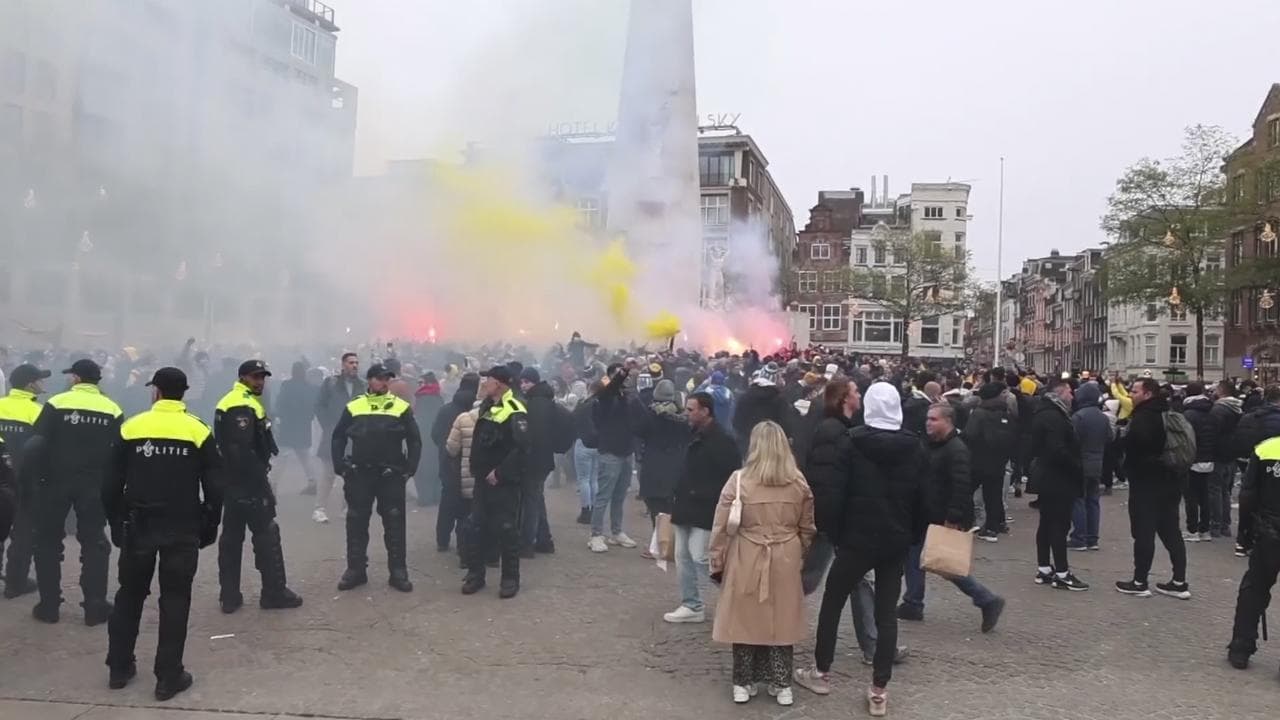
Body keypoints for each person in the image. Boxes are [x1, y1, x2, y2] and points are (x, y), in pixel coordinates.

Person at [794, 382, 927, 717]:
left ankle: (822, 672)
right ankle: (879, 690)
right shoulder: (915, 448)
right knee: (886, 612)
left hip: (855, 539)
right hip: (894, 541)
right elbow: (924, 499)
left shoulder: (851, 443)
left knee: (833, 603)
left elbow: (834, 494)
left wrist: (836, 534)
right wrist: (911, 535)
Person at [103, 367, 221, 701]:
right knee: (175, 600)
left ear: (155, 391)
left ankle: (119, 668)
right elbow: (215, 484)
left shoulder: (132, 427)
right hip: (182, 527)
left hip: (138, 525)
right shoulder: (198, 430)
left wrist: (115, 521)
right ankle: (168, 677)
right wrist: (210, 524)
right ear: (184, 393)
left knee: (129, 594)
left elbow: (109, 482)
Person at [708, 421, 815, 707]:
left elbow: (721, 525)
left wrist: (717, 559)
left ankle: (743, 681)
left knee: (743, 617)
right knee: (782, 619)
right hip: (786, 554)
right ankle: (782, 683)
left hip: (747, 552)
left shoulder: (739, 480)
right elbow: (807, 527)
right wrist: (798, 553)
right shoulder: (798, 482)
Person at [28, 358, 123, 625]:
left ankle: (49, 606)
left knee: (47, 542)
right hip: (94, 485)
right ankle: (94, 606)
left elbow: (37, 444)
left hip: (55, 482)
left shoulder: (56, 403)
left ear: (77, 379)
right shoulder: (112, 409)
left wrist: (36, 479)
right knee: (94, 543)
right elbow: (119, 451)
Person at [899, 403, 1006, 631]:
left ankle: (986, 599)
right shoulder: (929, 445)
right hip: (924, 513)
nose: (928, 422)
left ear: (948, 421)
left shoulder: (957, 449)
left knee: (945, 563)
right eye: (927, 418)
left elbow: (961, 485)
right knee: (914, 555)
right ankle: (913, 602)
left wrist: (954, 516)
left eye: (934, 419)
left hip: (941, 515)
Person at [213, 360, 303, 614]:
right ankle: (273, 593)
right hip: (247, 482)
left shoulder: (240, 400)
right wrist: (259, 484)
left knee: (232, 538)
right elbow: (240, 450)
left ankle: (229, 596)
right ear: (242, 377)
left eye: (262, 377)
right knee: (266, 536)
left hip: (233, 482)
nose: (260, 381)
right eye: (255, 377)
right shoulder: (239, 404)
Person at [331, 363, 422, 593]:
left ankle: (398, 571)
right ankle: (356, 570)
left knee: (394, 522)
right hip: (360, 472)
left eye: (387, 379)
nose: (384, 382)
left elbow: (414, 439)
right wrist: (339, 465)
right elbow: (338, 436)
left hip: (390, 474)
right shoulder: (355, 406)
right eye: (380, 378)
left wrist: (410, 468)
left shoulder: (400, 407)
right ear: (369, 380)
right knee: (356, 521)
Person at [664, 391, 738, 624]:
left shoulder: (722, 439)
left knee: (701, 557)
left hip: (705, 507)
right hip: (685, 503)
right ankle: (692, 605)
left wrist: (707, 494)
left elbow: (732, 474)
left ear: (705, 411)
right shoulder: (690, 433)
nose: (687, 413)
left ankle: (737, 601)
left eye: (690, 409)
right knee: (682, 556)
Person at [1116, 377, 1190, 599]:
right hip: (1171, 481)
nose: (1131, 394)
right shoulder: (1168, 413)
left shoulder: (1143, 418)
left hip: (1146, 482)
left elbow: (1138, 448)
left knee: (1144, 533)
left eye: (1135, 391)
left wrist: (1121, 445)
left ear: (1148, 394)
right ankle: (1179, 582)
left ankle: (1140, 582)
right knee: (1171, 531)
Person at [461, 366, 529, 598]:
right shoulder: (487, 406)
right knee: (475, 526)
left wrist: (500, 473)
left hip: (503, 482)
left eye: (487, 379)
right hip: (482, 479)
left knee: (506, 529)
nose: (484, 383)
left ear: (499, 383)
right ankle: (475, 575)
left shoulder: (515, 408)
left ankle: (510, 579)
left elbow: (522, 447)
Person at [1227, 419, 1280, 670]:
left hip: (1269, 531)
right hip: (1270, 530)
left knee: (1254, 589)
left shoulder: (1266, 449)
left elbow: (1248, 495)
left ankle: (1241, 646)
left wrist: (1245, 534)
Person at [1029, 377, 1089, 591]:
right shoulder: (1055, 417)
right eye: (1070, 392)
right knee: (1059, 524)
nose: (1072, 396)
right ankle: (1062, 573)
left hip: (1047, 476)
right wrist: (1077, 466)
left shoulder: (1044, 413)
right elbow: (1057, 449)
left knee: (1046, 523)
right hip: (1058, 478)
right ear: (1061, 392)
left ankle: (1044, 568)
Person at [0, 363, 50, 598]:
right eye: (40, 379)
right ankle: (15, 583)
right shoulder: (39, 412)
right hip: (25, 480)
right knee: (23, 533)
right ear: (31, 384)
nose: (43, 383)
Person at [588, 365, 639, 553]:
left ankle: (617, 532)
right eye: (618, 375)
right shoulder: (604, 395)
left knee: (619, 496)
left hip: (627, 451)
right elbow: (611, 387)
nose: (623, 379)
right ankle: (596, 535)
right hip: (610, 452)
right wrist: (623, 371)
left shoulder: (627, 397)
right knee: (603, 495)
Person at [312, 353, 365, 524]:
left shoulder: (363, 386)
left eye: (356, 362)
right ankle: (319, 509)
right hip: (334, 434)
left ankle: (347, 508)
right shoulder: (331, 383)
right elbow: (319, 405)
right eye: (351, 362)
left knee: (352, 474)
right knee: (328, 473)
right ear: (343, 365)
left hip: (355, 436)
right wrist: (328, 424)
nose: (354, 366)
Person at [964, 380, 1017, 542]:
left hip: (977, 461)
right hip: (998, 462)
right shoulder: (1005, 414)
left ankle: (966, 522)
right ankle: (992, 528)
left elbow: (969, 435)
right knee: (993, 495)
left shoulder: (979, 413)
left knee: (965, 491)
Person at [635, 379, 690, 535]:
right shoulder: (683, 417)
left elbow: (639, 431)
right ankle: (670, 541)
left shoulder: (651, 414)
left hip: (654, 466)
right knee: (670, 507)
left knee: (656, 508)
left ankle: (660, 542)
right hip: (676, 467)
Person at [434, 374, 480, 554]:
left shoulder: (445, 410)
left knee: (447, 503)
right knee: (468, 507)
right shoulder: (476, 413)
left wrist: (443, 449)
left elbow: (435, 433)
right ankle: (466, 545)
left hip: (447, 463)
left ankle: (442, 540)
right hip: (470, 465)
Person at [1233, 385, 1280, 556]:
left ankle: (1243, 540)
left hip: (1251, 461)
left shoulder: (1250, 417)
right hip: (1274, 462)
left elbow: (1240, 437)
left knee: (1248, 499)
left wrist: (1244, 456)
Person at [517, 368, 559, 557]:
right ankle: (545, 540)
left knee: (531, 502)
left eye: (527, 382)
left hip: (535, 460)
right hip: (544, 460)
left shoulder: (535, 404)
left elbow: (535, 435)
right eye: (522, 382)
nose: (523, 385)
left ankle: (527, 544)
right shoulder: (545, 400)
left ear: (534, 382)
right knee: (537, 499)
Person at [1069, 380, 1111, 551]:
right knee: (1093, 501)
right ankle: (1093, 538)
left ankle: (1079, 537)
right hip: (1097, 462)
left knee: (1078, 499)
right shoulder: (1103, 417)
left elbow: (1072, 440)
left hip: (1080, 463)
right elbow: (1110, 438)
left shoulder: (1078, 417)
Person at [1179, 382, 1218, 543]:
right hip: (1209, 458)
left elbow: (1184, 438)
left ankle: (1192, 529)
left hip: (1193, 459)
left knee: (1191, 496)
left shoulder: (1188, 414)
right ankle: (1205, 530)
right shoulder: (1213, 412)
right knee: (1205, 496)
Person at [731, 362, 794, 458]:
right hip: (771, 448)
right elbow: (785, 425)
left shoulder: (745, 397)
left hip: (748, 446)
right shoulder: (780, 400)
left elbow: (736, 422)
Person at [274, 361, 317, 497]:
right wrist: (308, 418)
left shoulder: (287, 385)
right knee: (305, 455)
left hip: (288, 425)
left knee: (282, 456)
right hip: (303, 425)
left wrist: (279, 416)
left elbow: (280, 403)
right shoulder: (309, 387)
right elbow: (312, 406)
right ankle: (313, 483)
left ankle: (272, 484)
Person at [1208, 380, 1243, 539]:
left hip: (1218, 454)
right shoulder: (1238, 408)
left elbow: (1213, 433)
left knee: (1215, 490)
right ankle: (1225, 525)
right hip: (1232, 454)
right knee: (1225, 491)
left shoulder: (1218, 410)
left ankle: (1216, 524)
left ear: (1221, 391)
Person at [571, 381, 602, 525]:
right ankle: (595, 509)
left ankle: (586, 511)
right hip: (598, 444)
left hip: (583, 442)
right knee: (594, 479)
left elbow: (574, 419)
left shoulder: (583, 404)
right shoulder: (603, 405)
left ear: (590, 389)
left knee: (583, 479)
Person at [413, 371, 445, 508]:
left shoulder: (420, 398)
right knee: (436, 468)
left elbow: (417, 418)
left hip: (422, 438)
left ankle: (424, 498)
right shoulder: (439, 398)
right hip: (437, 438)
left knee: (422, 469)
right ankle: (436, 496)